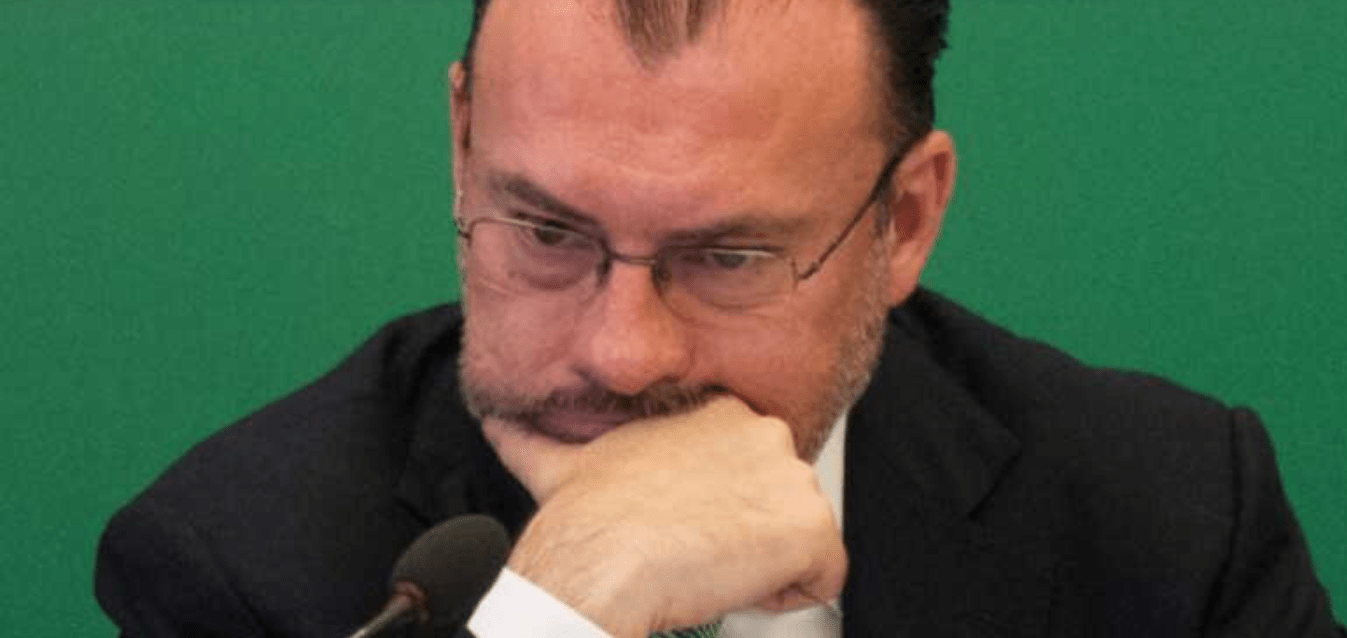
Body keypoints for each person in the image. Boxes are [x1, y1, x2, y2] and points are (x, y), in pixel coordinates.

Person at [95, 1, 1344, 637]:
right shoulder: (237, 567)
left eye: (729, 257)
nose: (622, 350)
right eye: (548, 232)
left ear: (905, 219)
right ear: (464, 147)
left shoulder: (1171, 521)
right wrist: (556, 611)